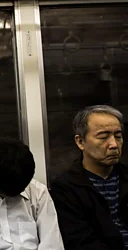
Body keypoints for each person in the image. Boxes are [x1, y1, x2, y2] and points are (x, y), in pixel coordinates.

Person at [50, 105, 128, 250]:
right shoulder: (65, 188)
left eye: (118, 136)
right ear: (80, 142)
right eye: (103, 137)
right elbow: (79, 242)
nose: (114, 145)